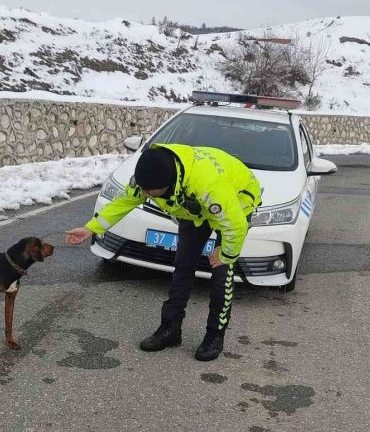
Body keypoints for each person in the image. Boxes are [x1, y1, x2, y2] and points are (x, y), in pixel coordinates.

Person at [66, 142, 262, 361]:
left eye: (150, 192)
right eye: (144, 190)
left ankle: (214, 335)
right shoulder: (149, 176)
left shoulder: (208, 186)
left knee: (221, 273)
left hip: (236, 200)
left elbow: (236, 225)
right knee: (183, 265)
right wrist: (90, 228)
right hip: (194, 208)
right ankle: (170, 329)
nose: (145, 194)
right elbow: (123, 202)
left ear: (168, 184)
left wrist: (225, 254)